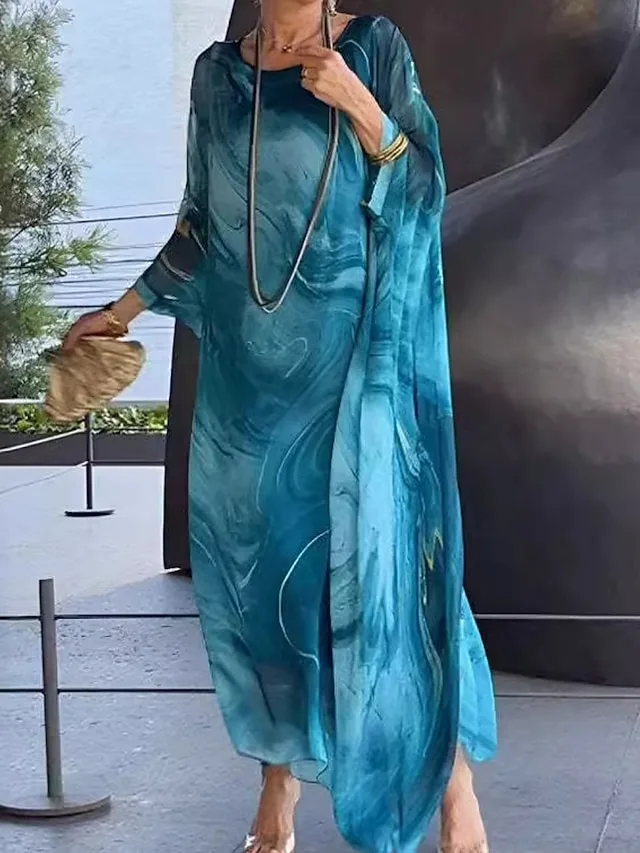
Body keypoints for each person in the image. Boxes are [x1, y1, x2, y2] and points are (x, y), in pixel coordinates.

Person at [62, 2, 497, 851]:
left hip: (357, 371)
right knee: (261, 590)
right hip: (247, 391)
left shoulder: (374, 50)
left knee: (391, 571)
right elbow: (198, 227)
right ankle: (277, 779)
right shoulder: (217, 78)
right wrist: (118, 313)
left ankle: (449, 778)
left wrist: (362, 107)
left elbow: (425, 189)